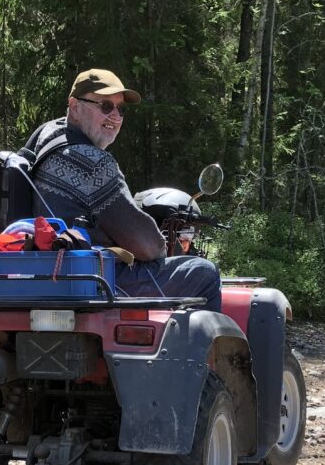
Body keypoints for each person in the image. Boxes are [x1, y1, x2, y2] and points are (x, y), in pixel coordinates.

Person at [22, 68, 222, 311]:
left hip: (45, 275)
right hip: (95, 283)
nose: (115, 116)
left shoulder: (46, 136)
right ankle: (199, 349)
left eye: (120, 109)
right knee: (204, 272)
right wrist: (163, 246)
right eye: (105, 106)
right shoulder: (93, 162)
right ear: (74, 106)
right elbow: (147, 246)